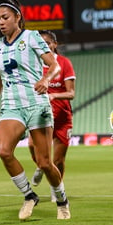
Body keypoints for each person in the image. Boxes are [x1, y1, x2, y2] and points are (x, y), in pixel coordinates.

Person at [0, 0, 70, 220]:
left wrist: (46, 79)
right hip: (12, 106)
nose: (1, 22)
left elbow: (54, 65)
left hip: (36, 104)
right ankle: (29, 196)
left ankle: (62, 200)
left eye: (5, 17)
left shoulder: (31, 37)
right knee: (3, 151)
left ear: (17, 17)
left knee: (44, 163)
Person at [28, 30, 76, 203]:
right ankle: (41, 167)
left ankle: (56, 189)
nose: (44, 46)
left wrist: (54, 96)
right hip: (41, 115)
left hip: (62, 117)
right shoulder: (35, 64)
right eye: (41, 43)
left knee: (58, 159)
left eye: (47, 43)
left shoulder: (64, 63)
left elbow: (71, 93)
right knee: (32, 146)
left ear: (54, 44)